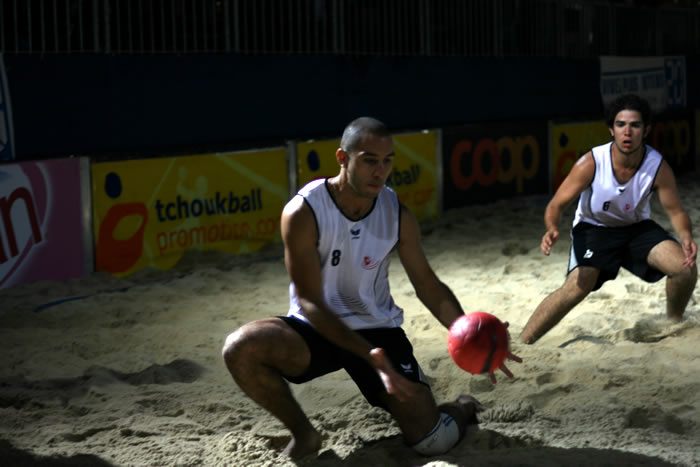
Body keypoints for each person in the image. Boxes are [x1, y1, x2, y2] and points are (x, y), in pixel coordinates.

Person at [222, 117, 521, 459]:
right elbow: (310, 301)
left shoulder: (396, 214)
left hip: (377, 329)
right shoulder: (304, 211)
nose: (380, 171)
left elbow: (426, 283)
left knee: (432, 442)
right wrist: (368, 355)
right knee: (240, 348)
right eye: (369, 161)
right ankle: (304, 433)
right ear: (342, 158)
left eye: (387, 161)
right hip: (317, 327)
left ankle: (462, 407)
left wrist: (472, 336)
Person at [520, 94, 697, 345]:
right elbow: (556, 204)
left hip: (635, 228)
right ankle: (523, 342)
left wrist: (686, 236)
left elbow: (676, 211)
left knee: (685, 268)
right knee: (578, 285)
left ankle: (672, 323)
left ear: (646, 130)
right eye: (621, 125)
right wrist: (551, 227)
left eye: (635, 125)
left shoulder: (658, 167)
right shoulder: (591, 162)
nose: (627, 132)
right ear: (611, 130)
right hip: (594, 228)